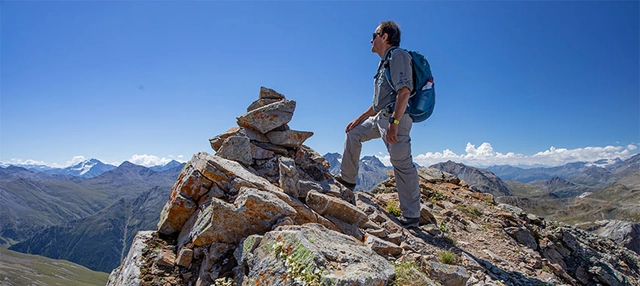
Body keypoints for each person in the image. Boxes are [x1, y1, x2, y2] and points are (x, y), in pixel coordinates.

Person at [335, 20, 421, 228]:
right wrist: (359, 119)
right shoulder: (384, 62)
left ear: (385, 37)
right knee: (354, 133)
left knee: (402, 164)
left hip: (394, 118)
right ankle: (347, 181)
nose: (371, 40)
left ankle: (411, 217)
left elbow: (404, 92)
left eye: (374, 35)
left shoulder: (398, 56)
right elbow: (378, 103)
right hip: (381, 117)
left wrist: (395, 122)